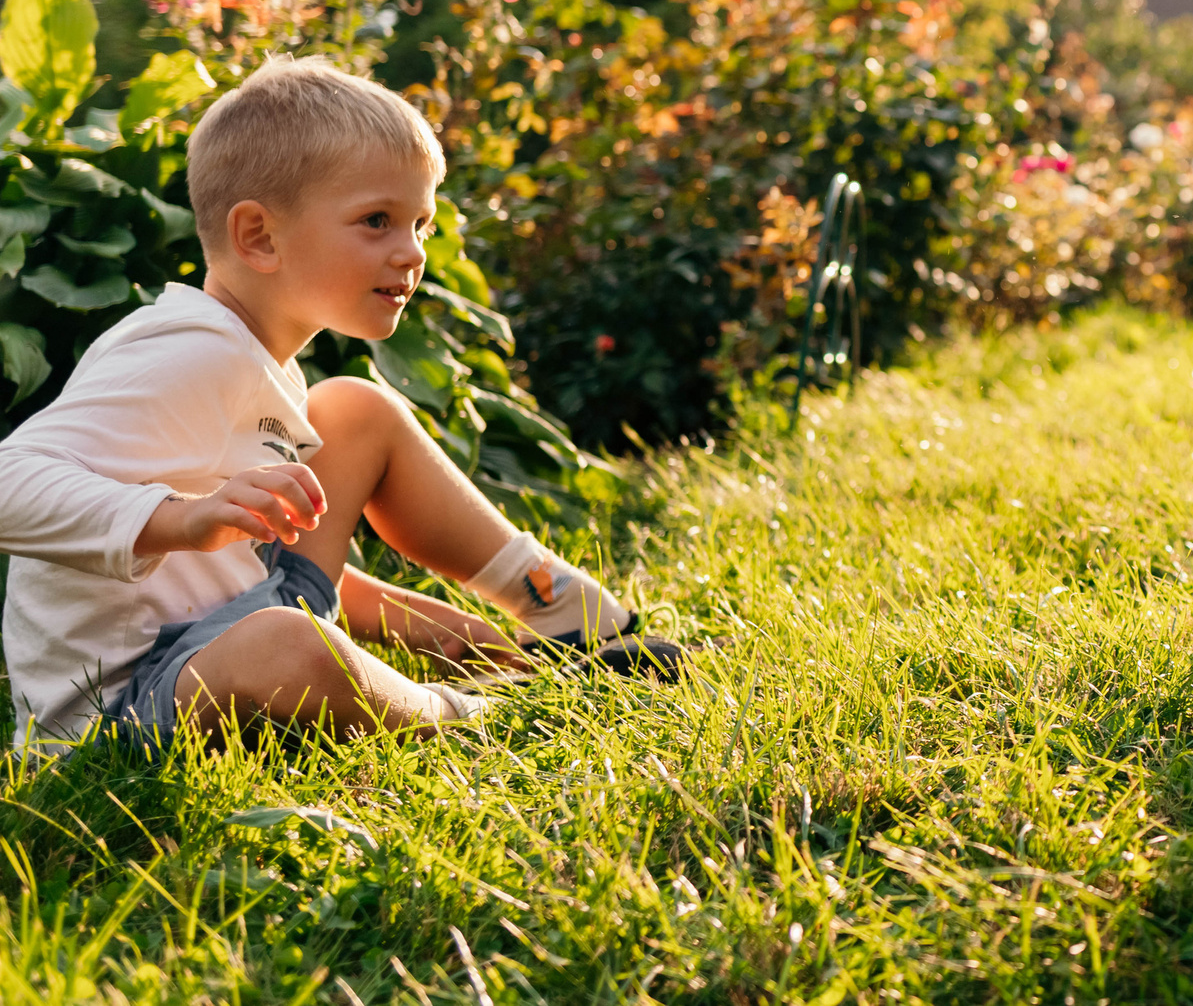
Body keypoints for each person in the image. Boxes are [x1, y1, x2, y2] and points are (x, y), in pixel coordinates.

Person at [0, 57, 682, 749]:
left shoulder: (260, 359)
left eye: (420, 222)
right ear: (259, 236)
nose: (411, 252)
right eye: (377, 220)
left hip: (227, 624)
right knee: (285, 644)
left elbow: (275, 573)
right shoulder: (183, 352)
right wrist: (182, 518)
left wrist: (464, 634)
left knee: (353, 410)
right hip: (122, 709)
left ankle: (564, 609)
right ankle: (486, 714)